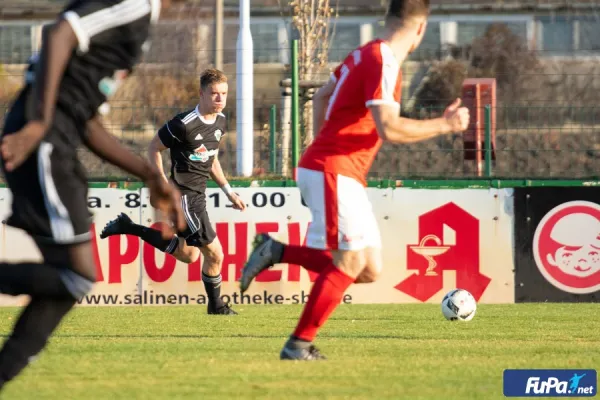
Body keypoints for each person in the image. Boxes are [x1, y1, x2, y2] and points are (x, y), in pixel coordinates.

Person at [239, 0, 470, 360]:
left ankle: (277, 251)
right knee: (348, 263)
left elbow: (322, 96)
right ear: (421, 29)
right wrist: (447, 124)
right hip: (336, 170)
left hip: (338, 169)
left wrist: (319, 149)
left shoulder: (363, 54)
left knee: (368, 269)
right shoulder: (384, 61)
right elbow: (389, 127)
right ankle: (297, 346)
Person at [0, 0, 186, 389]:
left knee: (66, 286)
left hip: (56, 141)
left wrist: (151, 175)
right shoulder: (135, 4)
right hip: (44, 143)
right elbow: (60, 31)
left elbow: (88, 123)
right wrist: (39, 123)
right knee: (76, 277)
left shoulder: (142, 20)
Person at [99, 69, 245, 315]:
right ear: (201, 93)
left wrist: (229, 191)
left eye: (224, 94)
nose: (220, 99)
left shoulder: (220, 121)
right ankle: (217, 306)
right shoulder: (183, 124)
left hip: (200, 195)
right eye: (214, 94)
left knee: (188, 255)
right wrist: (162, 183)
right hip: (185, 198)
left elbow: (211, 158)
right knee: (216, 254)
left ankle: (128, 227)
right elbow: (154, 147)